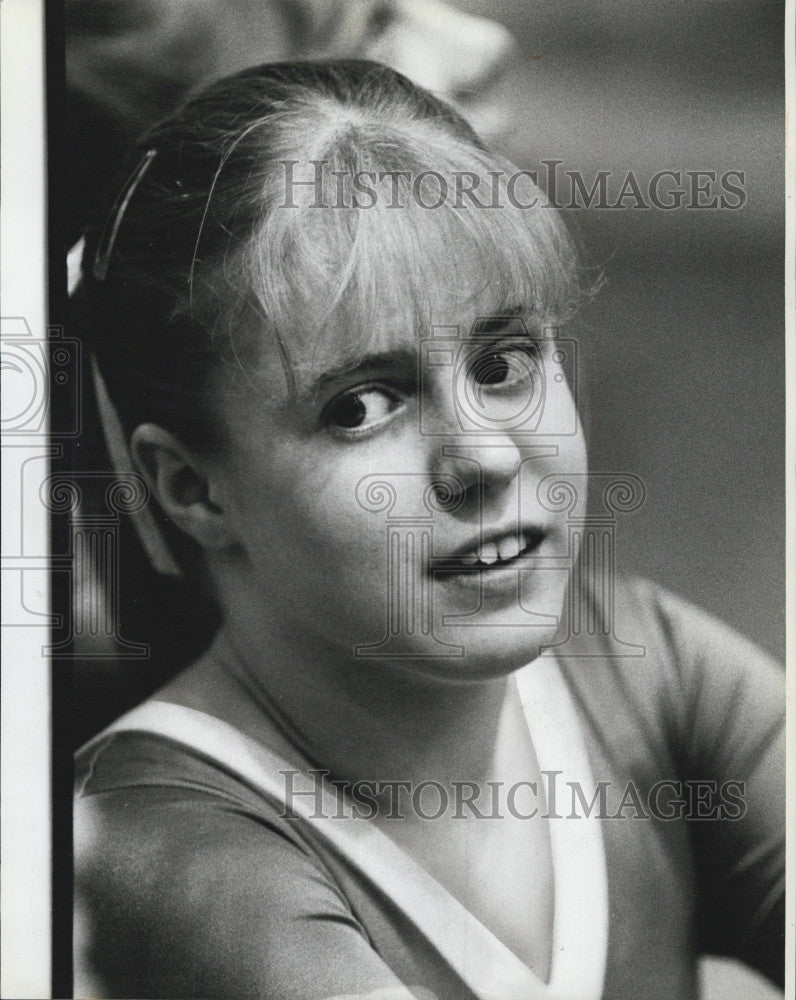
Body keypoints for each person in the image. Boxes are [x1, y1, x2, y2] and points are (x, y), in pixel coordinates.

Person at [73, 60, 784, 1000]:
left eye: (503, 362)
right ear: (192, 488)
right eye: (362, 405)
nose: (483, 457)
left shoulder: (648, 670)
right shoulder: (155, 847)